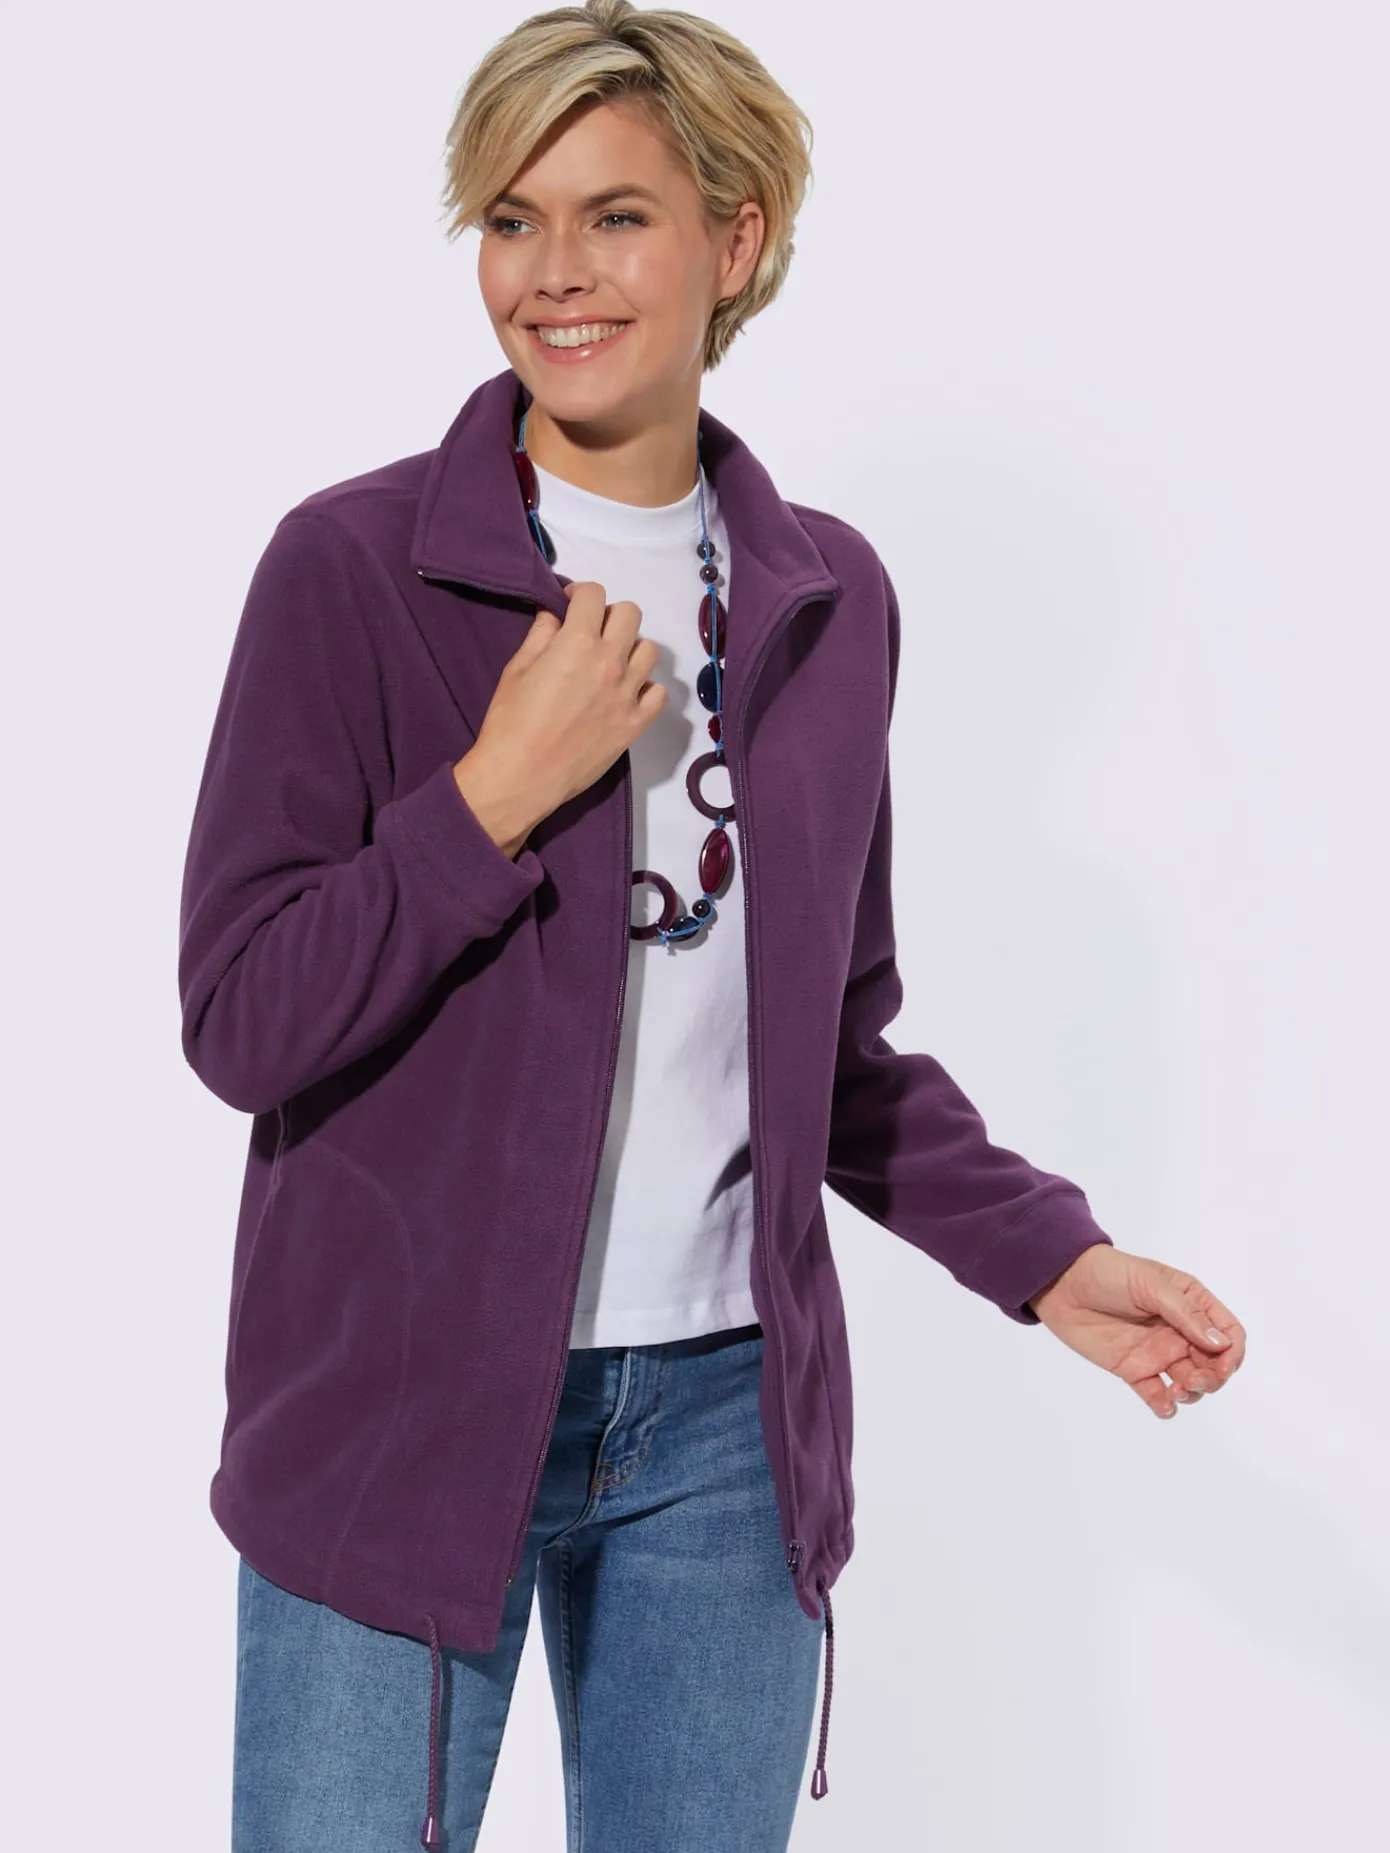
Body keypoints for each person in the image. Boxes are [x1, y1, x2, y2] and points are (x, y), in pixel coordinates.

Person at [176, 3, 1247, 1848]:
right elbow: (242, 1017)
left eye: (616, 217)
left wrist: (1045, 1258)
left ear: (734, 239)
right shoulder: (352, 570)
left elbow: (832, 1051)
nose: (553, 274)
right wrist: (490, 798)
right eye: (510, 219)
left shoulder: (826, 597)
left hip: (726, 1440)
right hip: (395, 1418)